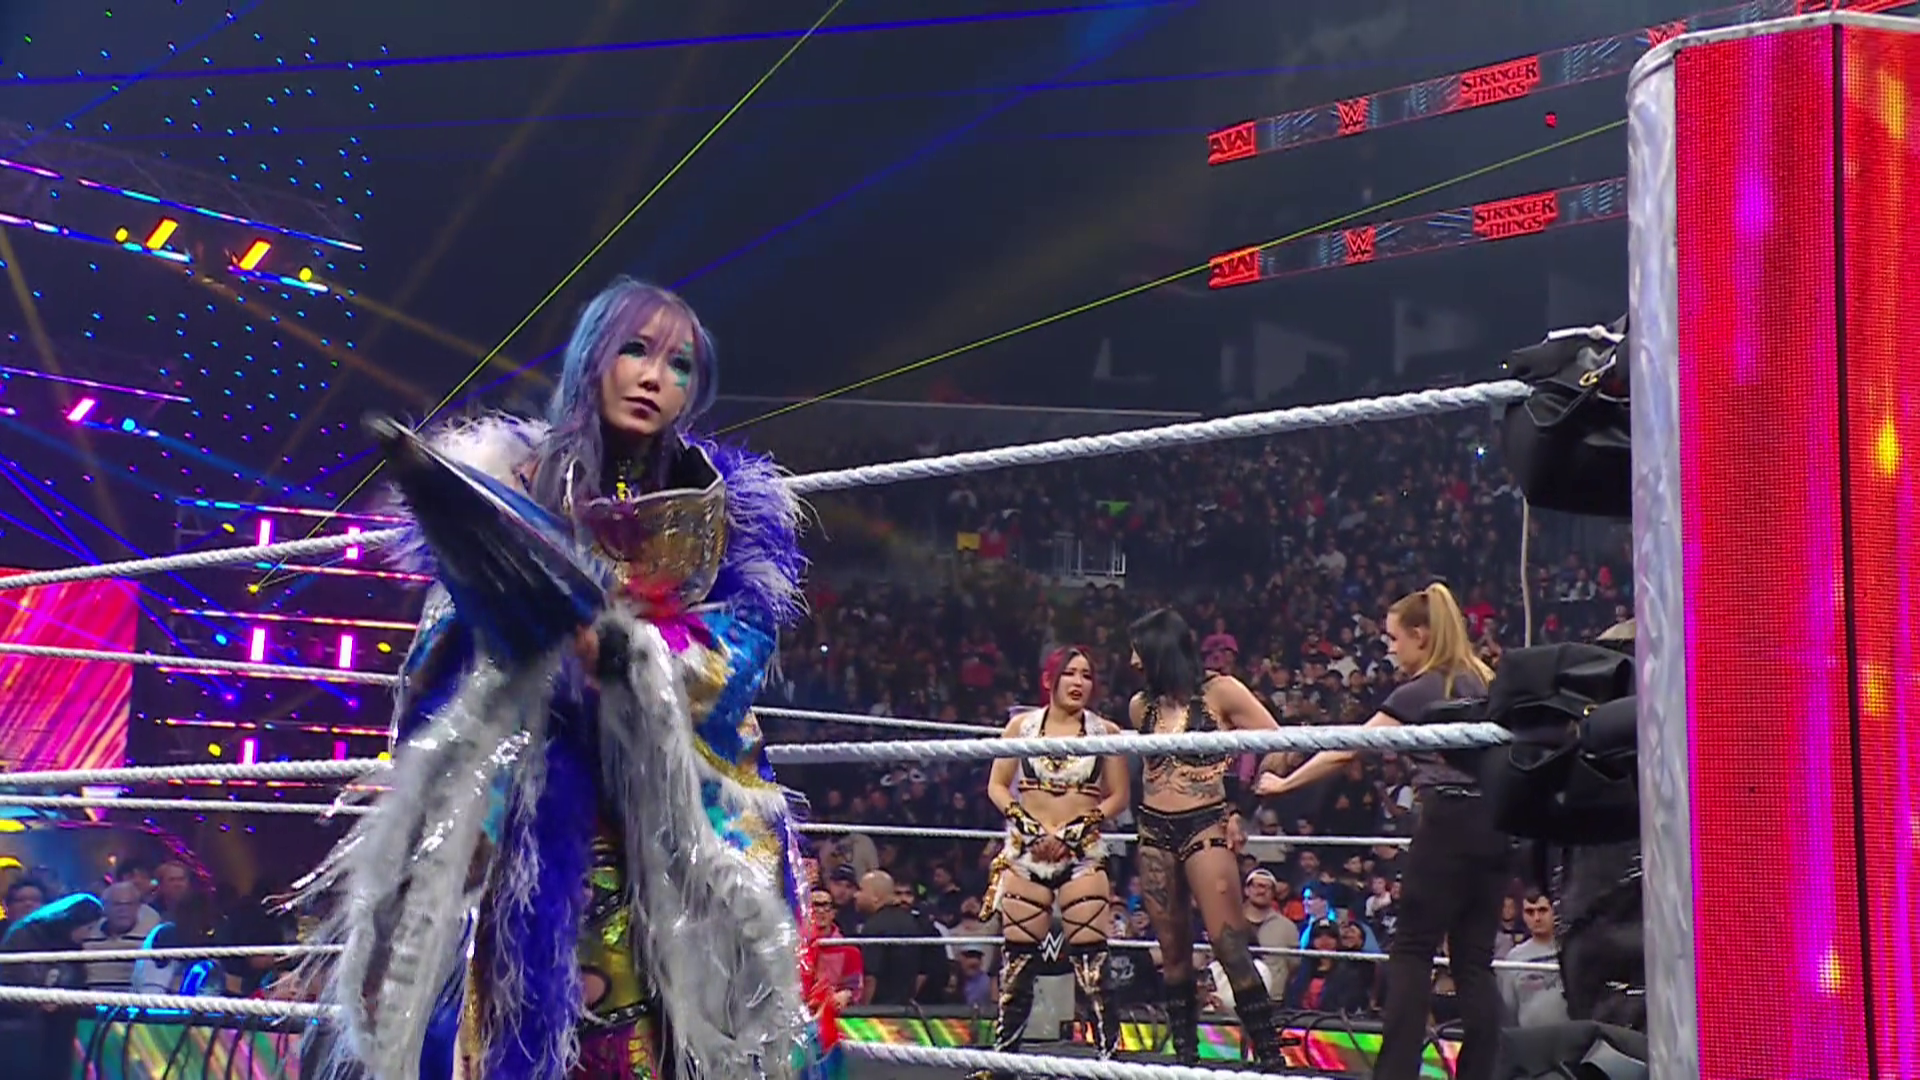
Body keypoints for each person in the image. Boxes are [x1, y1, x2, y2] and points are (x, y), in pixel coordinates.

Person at [298, 278, 834, 1080]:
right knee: (508, 1003)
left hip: (672, 806)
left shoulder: (726, 514)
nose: (654, 377)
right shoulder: (512, 483)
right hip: (523, 794)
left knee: (667, 1026)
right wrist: (423, 776)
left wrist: (629, 658)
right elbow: (446, 654)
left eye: (679, 365)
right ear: (593, 357)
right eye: (636, 351)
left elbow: (739, 651)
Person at [1259, 583, 1502, 1080]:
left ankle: (1396, 1073)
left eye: (1394, 638)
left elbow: (1349, 748)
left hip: (1447, 822)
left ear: (1421, 635)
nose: (1390, 649)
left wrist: (1285, 783)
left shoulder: (1426, 688)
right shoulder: (1486, 680)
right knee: (1474, 961)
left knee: (1412, 949)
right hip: (1495, 827)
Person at [1126, 609, 1291, 1066]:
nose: (1133, 662)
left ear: (1160, 650)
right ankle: (1185, 1059)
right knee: (1173, 951)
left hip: (1205, 823)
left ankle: (1270, 1058)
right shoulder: (1141, 706)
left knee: (1229, 945)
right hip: (1153, 829)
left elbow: (1276, 741)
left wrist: (1241, 805)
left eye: (1139, 651)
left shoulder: (1221, 691)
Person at [975, 646, 1128, 1073]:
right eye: (1070, 673)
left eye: (1087, 675)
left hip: (1082, 852)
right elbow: (997, 785)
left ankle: (1111, 1060)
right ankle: (1004, 1060)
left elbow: (1119, 795)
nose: (1079, 682)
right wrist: (1029, 827)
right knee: (1018, 961)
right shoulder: (1021, 727)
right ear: (1050, 680)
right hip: (1028, 850)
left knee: (1092, 959)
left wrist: (1076, 831)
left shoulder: (1106, 732)